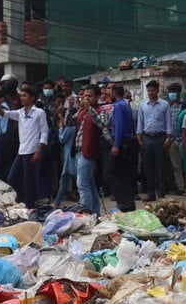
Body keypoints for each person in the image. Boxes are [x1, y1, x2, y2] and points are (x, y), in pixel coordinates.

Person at [0, 84, 50, 207]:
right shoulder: (20, 112)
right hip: (22, 150)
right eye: (21, 96)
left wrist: (39, 151)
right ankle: (26, 201)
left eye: (24, 96)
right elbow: (3, 113)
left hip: (32, 150)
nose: (22, 98)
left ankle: (30, 205)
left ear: (32, 98)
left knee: (28, 179)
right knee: (12, 178)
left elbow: (44, 132)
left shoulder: (39, 112)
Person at [136, 80, 173, 201]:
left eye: (153, 90)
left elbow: (168, 121)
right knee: (148, 166)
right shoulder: (143, 105)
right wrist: (139, 137)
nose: (151, 93)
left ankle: (161, 194)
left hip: (160, 138)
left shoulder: (164, 105)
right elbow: (140, 122)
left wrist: (169, 137)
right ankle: (150, 193)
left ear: (157, 90)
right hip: (147, 138)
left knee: (161, 167)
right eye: (149, 91)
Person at [74, 84, 108, 214]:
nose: (86, 99)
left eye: (90, 96)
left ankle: (85, 213)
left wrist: (90, 110)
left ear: (98, 97)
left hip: (88, 152)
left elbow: (102, 124)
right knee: (89, 184)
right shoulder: (82, 111)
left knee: (82, 185)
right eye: (85, 96)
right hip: (78, 151)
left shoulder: (102, 111)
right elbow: (70, 122)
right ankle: (95, 213)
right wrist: (72, 108)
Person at [108, 85, 139, 212]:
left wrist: (116, 145)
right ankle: (128, 202)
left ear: (114, 93)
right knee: (125, 173)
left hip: (122, 142)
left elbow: (119, 126)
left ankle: (123, 201)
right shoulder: (126, 105)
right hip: (129, 141)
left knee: (111, 172)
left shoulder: (118, 106)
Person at [53, 102, 77, 208]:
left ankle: (57, 202)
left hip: (70, 156)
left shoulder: (69, 127)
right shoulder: (73, 126)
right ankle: (57, 202)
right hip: (70, 155)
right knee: (65, 179)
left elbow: (62, 139)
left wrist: (61, 128)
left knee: (74, 180)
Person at [165, 82, 186, 194]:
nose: (171, 94)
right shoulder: (169, 106)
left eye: (173, 92)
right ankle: (180, 187)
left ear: (178, 93)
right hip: (172, 140)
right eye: (170, 92)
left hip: (182, 139)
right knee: (176, 165)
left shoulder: (184, 105)